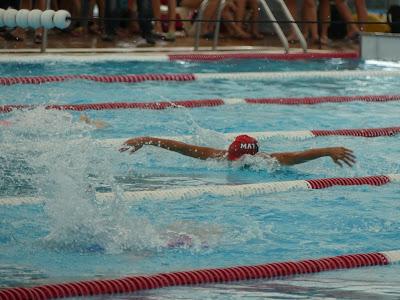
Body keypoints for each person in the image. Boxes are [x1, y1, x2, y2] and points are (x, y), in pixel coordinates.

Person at [119, 134, 356, 167]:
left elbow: (294, 156)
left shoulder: (265, 161)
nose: (235, 159)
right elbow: (182, 148)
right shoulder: (218, 156)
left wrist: (327, 150)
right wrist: (146, 139)